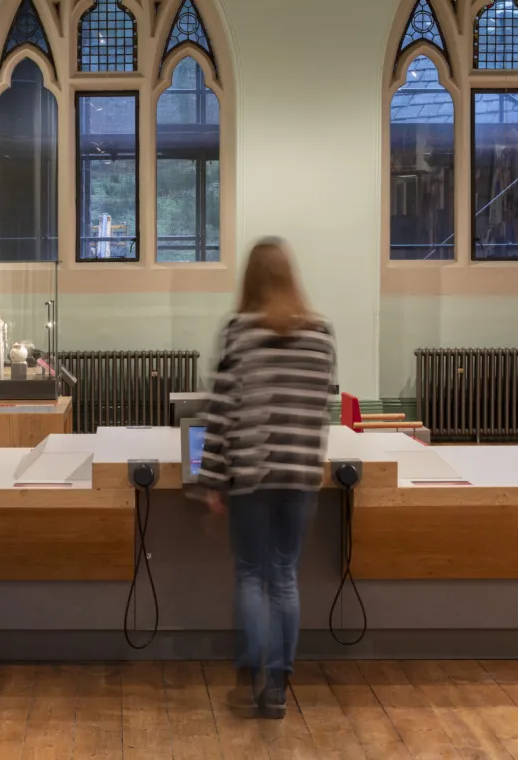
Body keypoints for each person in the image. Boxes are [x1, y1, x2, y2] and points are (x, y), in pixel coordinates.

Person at [193, 239, 337, 720]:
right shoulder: (321, 336)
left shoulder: (239, 333)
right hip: (300, 477)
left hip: (252, 474)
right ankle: (277, 683)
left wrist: (212, 479)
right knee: (284, 577)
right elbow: (321, 411)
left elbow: (222, 411)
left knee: (251, 575)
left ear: (250, 281)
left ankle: (248, 671)